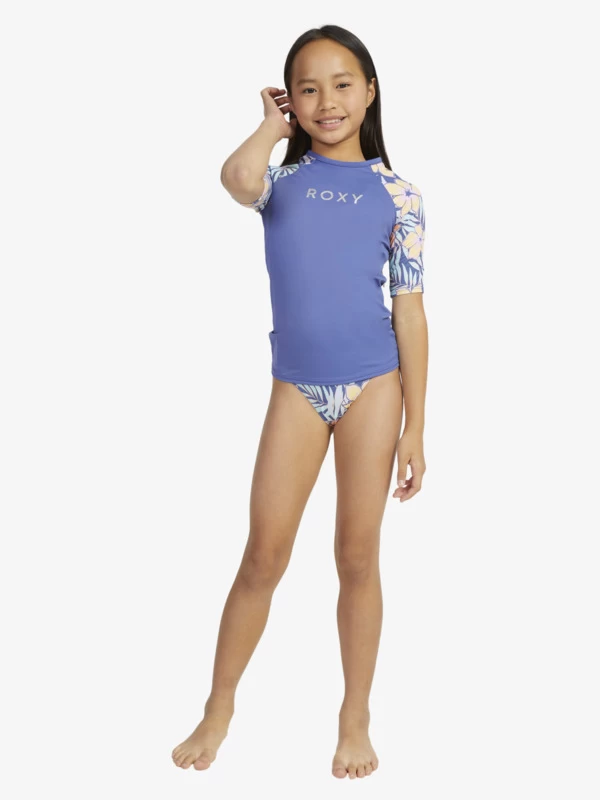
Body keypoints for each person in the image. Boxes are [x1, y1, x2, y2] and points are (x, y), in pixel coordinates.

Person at [171, 23, 428, 780]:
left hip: (375, 384)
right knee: (264, 554)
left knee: (357, 554)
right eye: (307, 89)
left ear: (370, 91)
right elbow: (234, 178)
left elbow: (411, 311)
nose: (327, 101)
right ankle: (219, 705)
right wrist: (269, 128)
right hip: (297, 388)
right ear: (291, 100)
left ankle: (356, 716)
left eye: (342, 84)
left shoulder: (399, 195)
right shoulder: (278, 184)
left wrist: (417, 426)